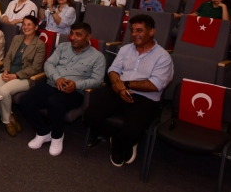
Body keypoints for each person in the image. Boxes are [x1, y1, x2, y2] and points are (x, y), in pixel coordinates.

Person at [84, 14, 173, 167]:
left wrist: (125, 84)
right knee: (89, 116)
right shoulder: (125, 49)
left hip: (145, 98)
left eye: (139, 30)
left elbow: (156, 84)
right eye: (132, 30)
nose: (134, 34)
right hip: (118, 91)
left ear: (151, 31)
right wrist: (119, 87)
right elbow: (113, 70)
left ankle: (119, 144)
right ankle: (118, 137)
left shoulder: (163, 57)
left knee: (133, 131)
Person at [19, 23, 105, 156]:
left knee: (54, 102)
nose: (73, 37)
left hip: (75, 92)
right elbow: (49, 64)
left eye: (78, 35)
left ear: (88, 37)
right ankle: (43, 132)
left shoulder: (98, 57)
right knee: (25, 100)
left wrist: (76, 85)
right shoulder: (62, 47)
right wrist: (57, 78)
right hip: (53, 84)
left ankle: (57, 136)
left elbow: (98, 81)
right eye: (71, 33)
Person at [0, 15, 46, 136]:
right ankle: (10, 115)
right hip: (9, 72)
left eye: (29, 24)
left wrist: (16, 75)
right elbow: (8, 56)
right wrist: (6, 69)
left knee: (4, 91)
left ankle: (7, 121)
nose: (26, 27)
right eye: (24, 24)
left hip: (26, 77)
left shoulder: (40, 45)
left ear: (36, 27)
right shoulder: (17, 38)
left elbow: (35, 68)